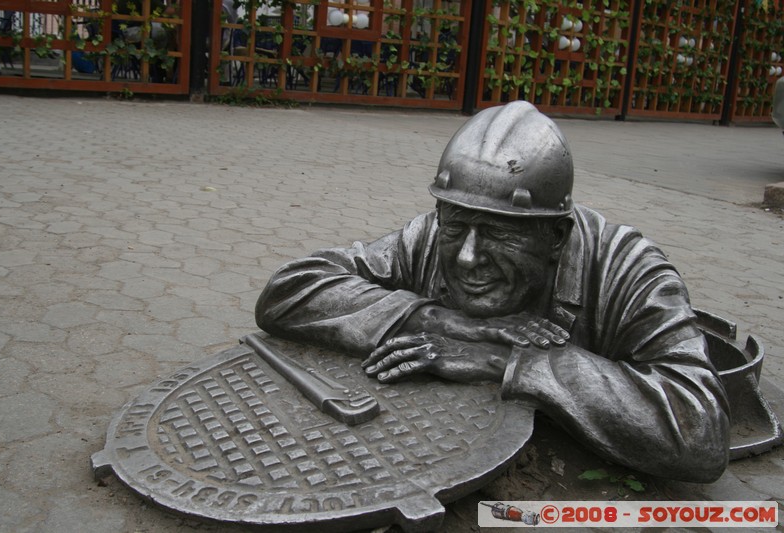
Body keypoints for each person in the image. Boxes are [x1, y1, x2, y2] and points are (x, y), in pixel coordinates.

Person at [255, 101, 730, 483]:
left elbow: (701, 433)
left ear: (556, 237)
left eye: (501, 233)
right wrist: (441, 320)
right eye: (457, 226)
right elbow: (291, 289)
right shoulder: (429, 235)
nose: (466, 256)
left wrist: (505, 362)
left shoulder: (630, 269)